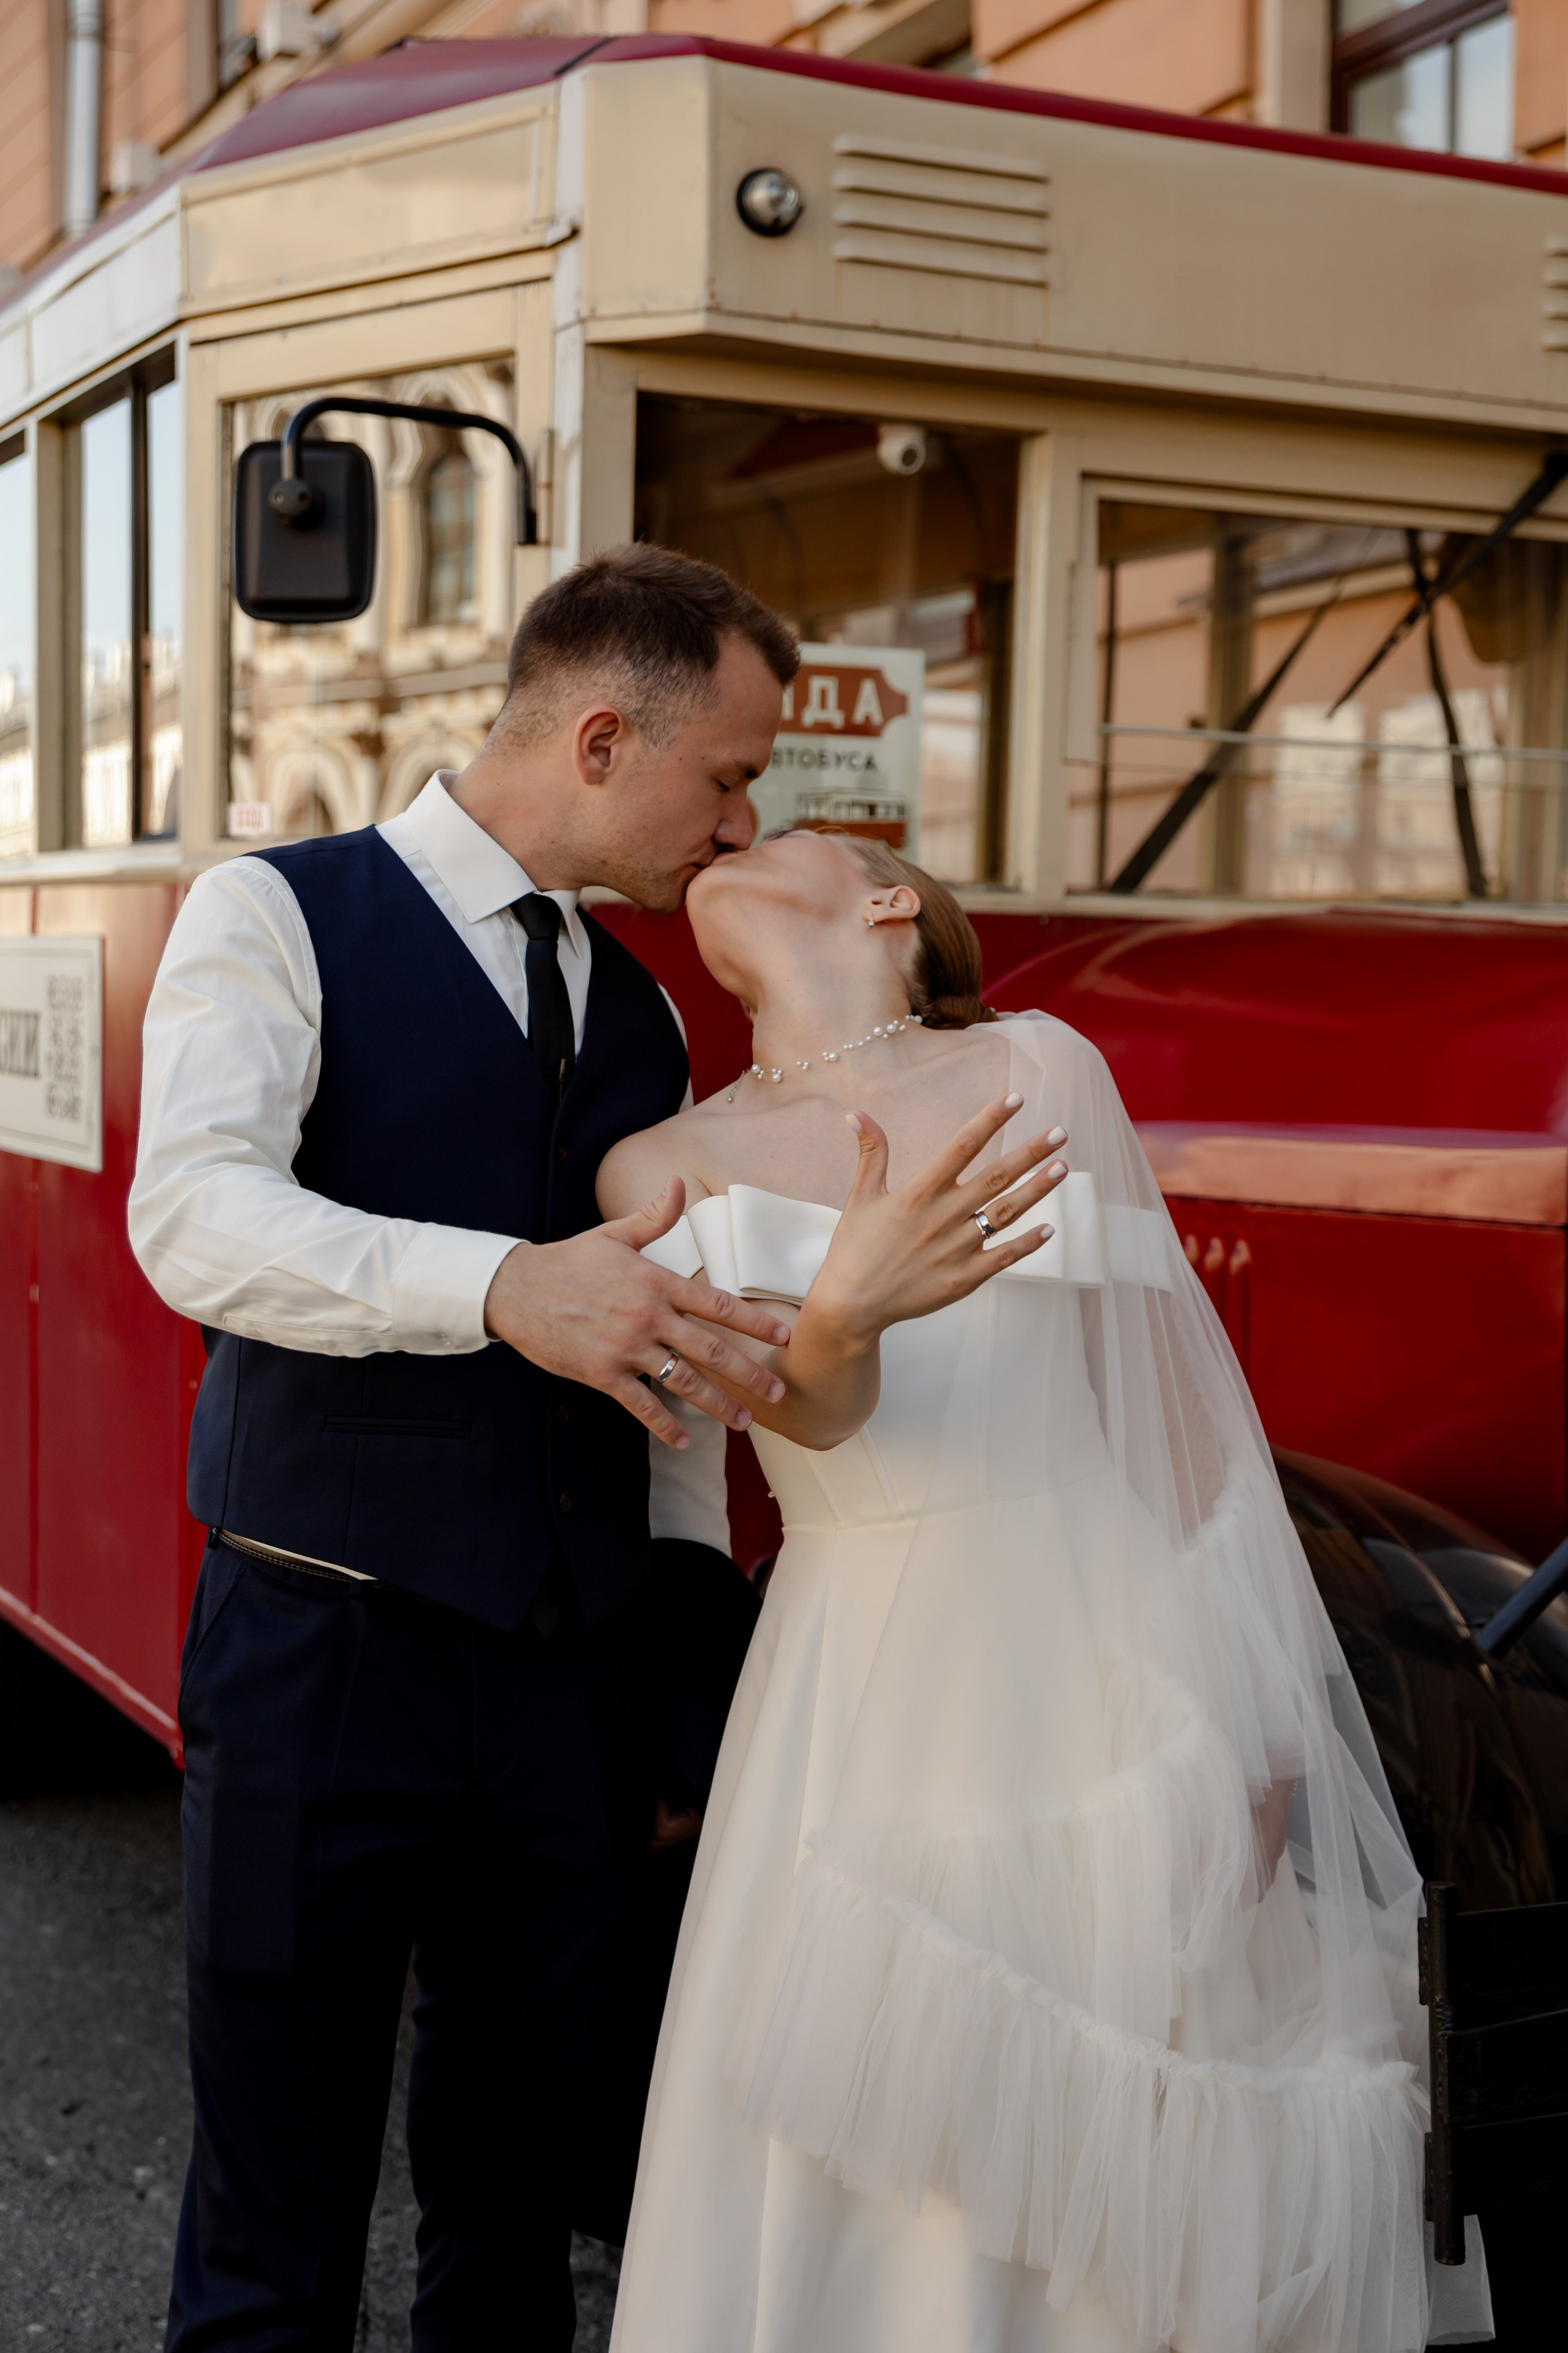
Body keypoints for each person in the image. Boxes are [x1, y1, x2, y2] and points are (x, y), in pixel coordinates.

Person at [127, 545, 1065, 2352]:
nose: (739, 820)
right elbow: (196, 1219)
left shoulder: (639, 1014)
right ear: (607, 735)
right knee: (275, 2225)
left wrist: (682, 1666)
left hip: (567, 1690)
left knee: (516, 2218)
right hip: (325, 1650)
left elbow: (683, 1381)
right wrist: (501, 1290)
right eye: (727, 777)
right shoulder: (274, 912)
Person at [599, 828, 1494, 2353]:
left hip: (1105, 1666)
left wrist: (1250, 1705)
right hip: (862, 1669)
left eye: (805, 826)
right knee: (872, 2144)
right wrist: (849, 1308)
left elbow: (1174, 1426)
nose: (754, 830)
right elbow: (795, 1412)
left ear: (887, 903)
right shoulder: (663, 1160)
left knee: (1124, 2121)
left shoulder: (1039, 1065)